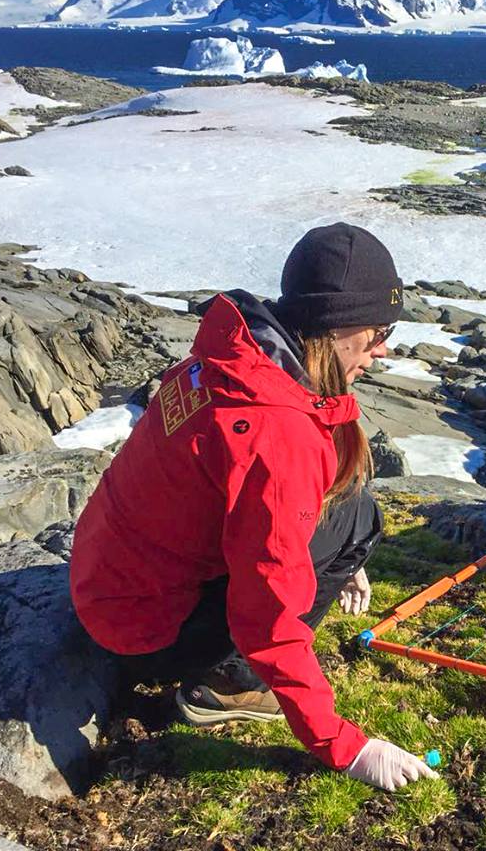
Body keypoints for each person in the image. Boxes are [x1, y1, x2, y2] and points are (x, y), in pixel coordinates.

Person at [70, 222, 437, 792]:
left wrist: (332, 550)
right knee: (358, 516)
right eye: (379, 330)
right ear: (335, 326)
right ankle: (229, 682)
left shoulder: (231, 360)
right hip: (144, 633)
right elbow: (266, 617)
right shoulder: (275, 428)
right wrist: (345, 745)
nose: (383, 348)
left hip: (108, 586)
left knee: (348, 506)